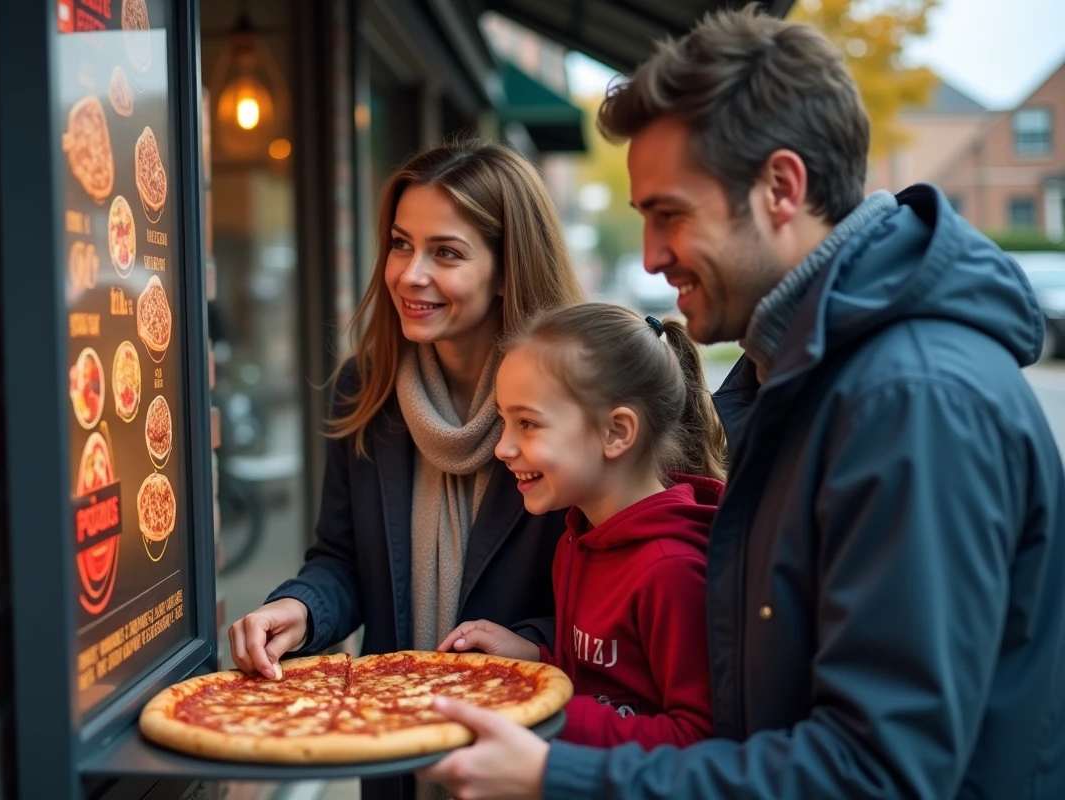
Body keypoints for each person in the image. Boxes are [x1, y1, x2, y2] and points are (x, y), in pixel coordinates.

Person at [418, 7, 1065, 800]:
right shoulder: (806, 377)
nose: (652, 259)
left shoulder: (909, 402)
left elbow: (877, 773)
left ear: (781, 188)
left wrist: (564, 772)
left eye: (671, 215)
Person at [227, 139, 585, 800]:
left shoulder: (574, 407)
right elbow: (341, 559)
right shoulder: (362, 389)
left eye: (445, 253)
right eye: (399, 244)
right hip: (396, 766)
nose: (409, 274)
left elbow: (615, 596)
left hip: (531, 762)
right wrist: (299, 608)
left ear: (507, 269)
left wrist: (530, 645)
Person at [436, 303, 724, 750]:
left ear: (616, 433)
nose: (503, 448)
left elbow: (698, 740)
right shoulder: (577, 539)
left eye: (527, 423)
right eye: (504, 421)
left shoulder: (671, 571)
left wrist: (544, 706)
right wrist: (535, 659)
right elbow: (605, 680)